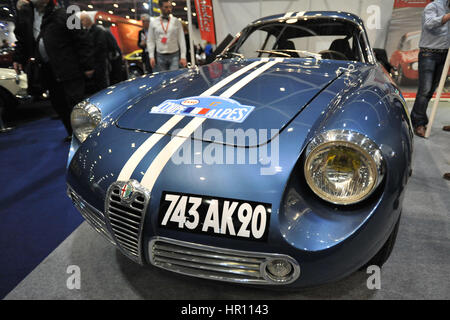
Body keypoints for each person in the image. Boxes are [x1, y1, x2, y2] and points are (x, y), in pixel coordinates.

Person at [13, 0, 94, 141]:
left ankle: (88, 136)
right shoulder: (26, 15)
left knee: (76, 104)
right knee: (58, 104)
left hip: (70, 68)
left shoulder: (68, 13)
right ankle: (73, 133)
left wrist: (87, 65)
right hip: (47, 69)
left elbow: (82, 39)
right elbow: (21, 38)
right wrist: (18, 58)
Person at [410, 0, 450, 138]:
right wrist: (447, 16)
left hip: (445, 54)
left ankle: (416, 118)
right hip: (429, 53)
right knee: (425, 90)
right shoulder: (433, 6)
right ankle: (419, 123)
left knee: (431, 90)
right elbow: (429, 23)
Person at [147, 0, 187, 72]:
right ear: (160, 7)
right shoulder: (153, 23)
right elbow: (150, 40)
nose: (169, 9)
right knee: (163, 79)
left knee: (173, 77)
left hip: (174, 54)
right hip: (160, 56)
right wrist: (151, 56)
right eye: (166, 7)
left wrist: (183, 56)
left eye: (170, 7)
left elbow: (181, 39)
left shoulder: (176, 22)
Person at [80, 12, 109, 94]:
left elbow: (100, 48)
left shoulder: (98, 31)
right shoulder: (87, 32)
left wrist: (92, 66)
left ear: (86, 20)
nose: (81, 23)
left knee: (101, 87)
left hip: (99, 64)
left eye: (82, 21)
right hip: (93, 64)